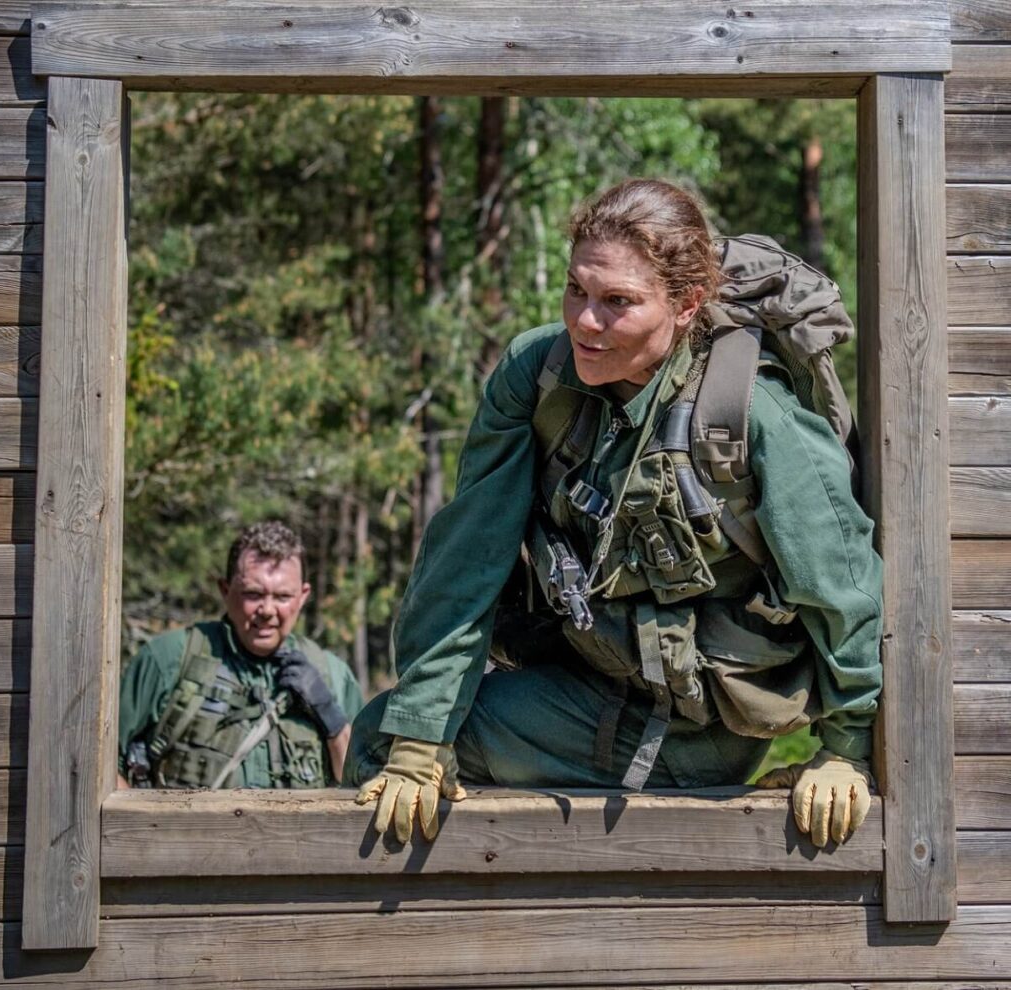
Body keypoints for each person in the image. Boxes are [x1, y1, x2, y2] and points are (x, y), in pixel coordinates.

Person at [344, 179, 883, 849]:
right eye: (577, 291)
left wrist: (845, 748)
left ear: (687, 306)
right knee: (388, 741)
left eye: (617, 303)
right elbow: (466, 563)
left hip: (695, 730)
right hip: (586, 681)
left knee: (384, 746)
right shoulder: (536, 375)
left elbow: (844, 587)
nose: (585, 322)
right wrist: (421, 739)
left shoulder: (751, 413)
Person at [118, 520, 364, 789]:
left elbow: (364, 786)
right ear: (225, 590)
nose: (268, 610)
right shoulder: (168, 658)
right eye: (253, 594)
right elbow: (102, 768)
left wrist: (330, 715)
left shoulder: (334, 675)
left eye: (282, 596)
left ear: (303, 596)